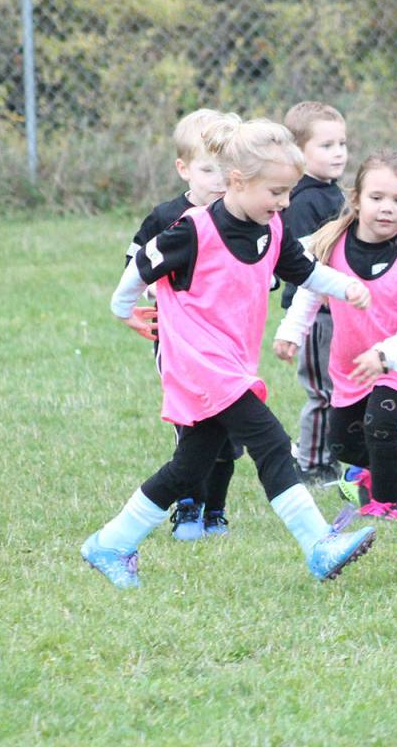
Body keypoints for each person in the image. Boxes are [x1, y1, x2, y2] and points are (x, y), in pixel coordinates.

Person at [81, 115, 377, 588]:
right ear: (237, 181)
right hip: (200, 363)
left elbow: (304, 270)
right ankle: (318, 543)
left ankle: (110, 544)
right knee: (271, 443)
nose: (283, 203)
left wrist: (345, 286)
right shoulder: (193, 230)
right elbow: (141, 264)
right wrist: (124, 310)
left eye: (288, 192)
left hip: (233, 361)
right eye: (275, 192)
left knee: (189, 467)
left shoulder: (272, 228)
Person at [274, 150, 397, 521]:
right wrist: (291, 331)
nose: (387, 208)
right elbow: (308, 291)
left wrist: (386, 356)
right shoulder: (333, 244)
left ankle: (387, 505)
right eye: (377, 198)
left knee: (382, 426)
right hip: (353, 365)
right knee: (343, 443)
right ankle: (378, 470)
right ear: (355, 199)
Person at [122, 107, 244, 541]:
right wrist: (146, 298)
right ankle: (188, 508)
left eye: (227, 169)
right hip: (176, 341)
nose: (218, 179)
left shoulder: (242, 218)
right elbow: (135, 263)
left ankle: (216, 511)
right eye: (208, 169)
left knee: (229, 433)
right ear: (184, 169)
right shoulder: (165, 217)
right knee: (192, 426)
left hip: (228, 343)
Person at [279, 102, 349, 487]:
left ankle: (330, 456)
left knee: (339, 388)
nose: (338, 152)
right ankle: (311, 464)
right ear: (298, 153)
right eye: (326, 145)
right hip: (315, 313)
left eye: (342, 143)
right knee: (323, 392)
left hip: (338, 310)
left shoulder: (334, 194)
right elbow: (304, 260)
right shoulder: (303, 200)